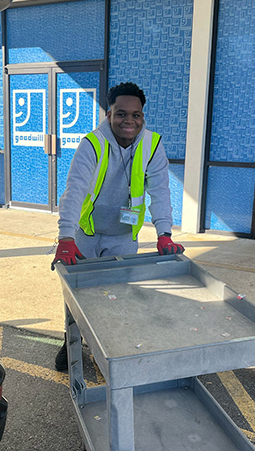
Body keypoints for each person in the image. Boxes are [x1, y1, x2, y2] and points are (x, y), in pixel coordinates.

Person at [51, 82, 184, 371]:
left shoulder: (152, 145)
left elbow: (160, 191)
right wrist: (66, 236)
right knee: (78, 294)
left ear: (143, 117)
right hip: (86, 234)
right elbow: (75, 190)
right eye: (121, 114)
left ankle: (108, 351)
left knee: (117, 297)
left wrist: (164, 233)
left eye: (136, 115)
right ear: (110, 113)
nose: (129, 121)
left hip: (124, 236)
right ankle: (71, 341)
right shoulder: (92, 144)